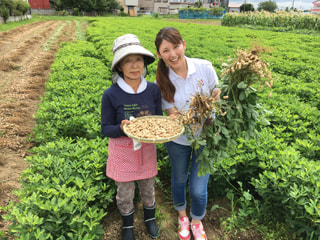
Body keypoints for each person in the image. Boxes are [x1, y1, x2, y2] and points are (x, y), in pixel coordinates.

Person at [154, 27, 221, 240]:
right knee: (179, 178)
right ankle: (182, 216)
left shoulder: (204, 67)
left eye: (175, 47)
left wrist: (213, 105)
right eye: (166, 50)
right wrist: (188, 118)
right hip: (178, 140)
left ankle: (197, 221)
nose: (172, 54)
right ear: (159, 54)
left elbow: (217, 95)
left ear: (183, 44)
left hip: (205, 137)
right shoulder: (162, 80)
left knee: (198, 187)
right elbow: (172, 113)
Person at [101, 34, 162, 240]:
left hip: (146, 150)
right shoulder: (111, 94)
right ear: (119, 66)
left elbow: (158, 120)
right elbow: (106, 129)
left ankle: (149, 219)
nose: (134, 65)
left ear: (144, 63)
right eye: (127, 60)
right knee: (125, 191)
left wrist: (158, 132)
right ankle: (128, 225)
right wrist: (121, 128)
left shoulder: (153, 90)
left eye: (138, 59)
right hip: (122, 152)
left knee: (148, 188)